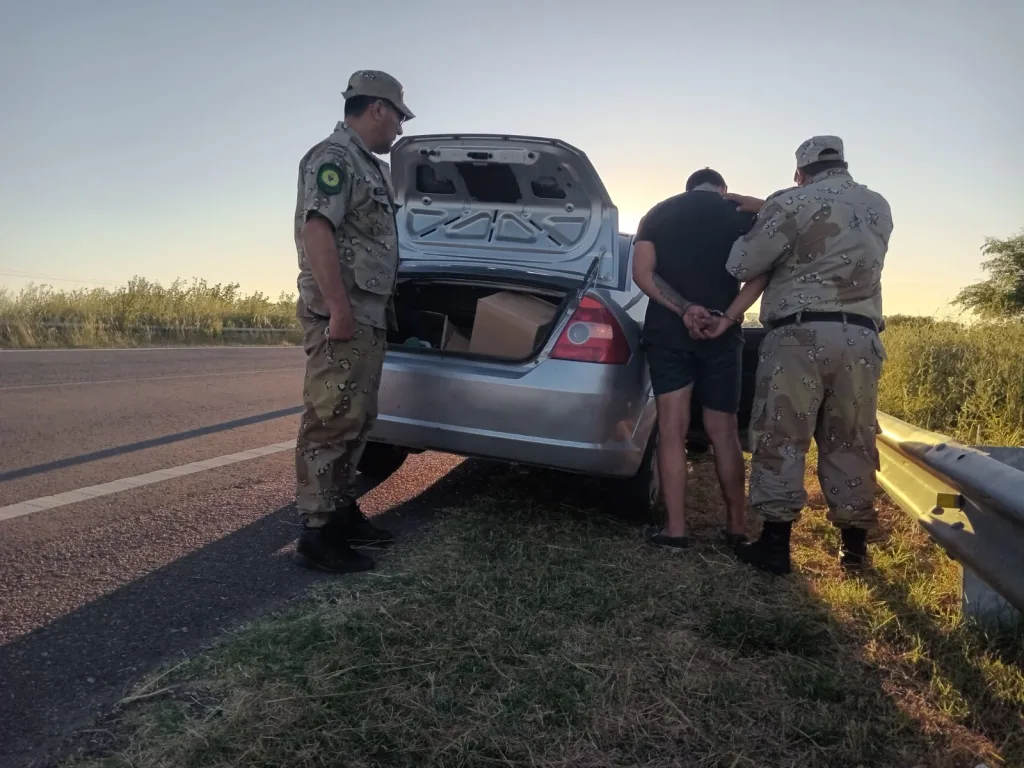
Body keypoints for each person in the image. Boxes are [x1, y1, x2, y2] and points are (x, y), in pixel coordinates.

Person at [709, 135, 893, 575]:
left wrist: (767, 208)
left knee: (780, 438)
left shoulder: (790, 202)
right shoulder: (878, 205)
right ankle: (854, 550)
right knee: (851, 438)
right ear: (843, 163)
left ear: (800, 171)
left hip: (798, 336)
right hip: (862, 340)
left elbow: (740, 265)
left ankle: (774, 547)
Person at [291, 70, 415, 573]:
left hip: (367, 314)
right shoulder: (334, 159)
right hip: (342, 314)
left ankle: (340, 512)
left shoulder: (370, 168)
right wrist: (339, 307)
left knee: (357, 419)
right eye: (399, 118)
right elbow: (317, 232)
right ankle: (317, 532)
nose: (400, 131)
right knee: (329, 420)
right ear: (379, 109)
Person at [631, 168, 759, 551]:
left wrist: (686, 308)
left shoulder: (657, 213)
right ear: (722, 188)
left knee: (672, 430)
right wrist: (727, 318)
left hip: (669, 334)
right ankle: (737, 528)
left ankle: (675, 530)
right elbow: (761, 274)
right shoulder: (743, 214)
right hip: (722, 336)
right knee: (723, 431)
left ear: (686, 188)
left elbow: (642, 274)